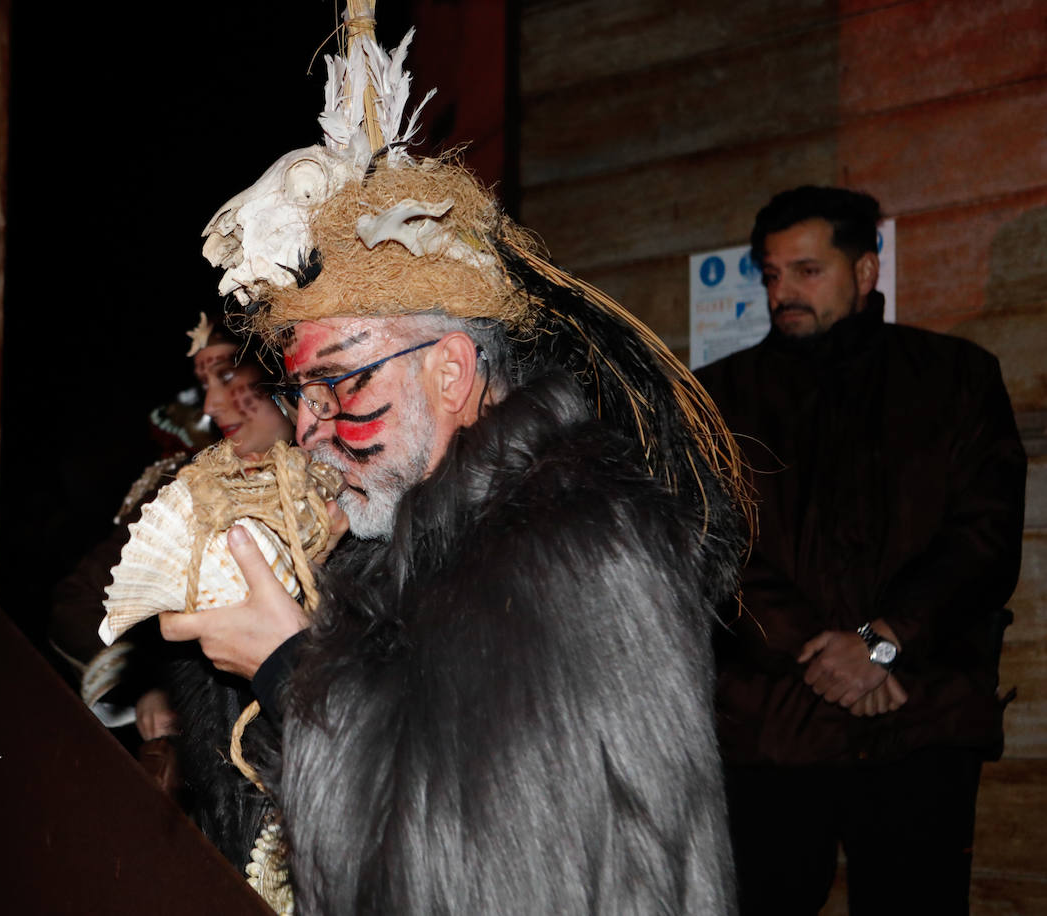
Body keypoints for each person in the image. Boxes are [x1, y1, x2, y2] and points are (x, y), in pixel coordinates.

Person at [157, 27, 752, 913]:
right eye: (302, 389)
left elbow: (469, 880)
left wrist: (286, 667)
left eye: (342, 381)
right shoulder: (407, 542)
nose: (310, 429)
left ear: (452, 370)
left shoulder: (574, 550)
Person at [695, 186, 1027, 915]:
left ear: (867, 272)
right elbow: (712, 548)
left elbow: (985, 539)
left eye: (808, 271)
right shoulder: (716, 400)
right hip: (773, 729)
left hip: (918, 721)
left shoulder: (957, 380)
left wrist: (884, 641)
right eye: (772, 273)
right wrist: (826, 654)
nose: (784, 292)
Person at [47, 311, 293, 760]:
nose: (210, 406)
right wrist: (151, 686)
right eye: (205, 387)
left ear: (280, 371)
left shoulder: (352, 479)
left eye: (227, 377)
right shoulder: (188, 489)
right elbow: (79, 602)